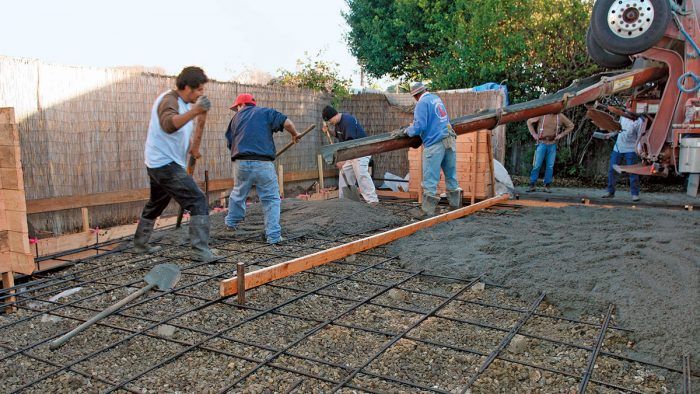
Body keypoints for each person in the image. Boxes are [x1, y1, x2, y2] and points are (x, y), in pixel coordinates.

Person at [134, 66, 219, 261]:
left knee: (156, 203)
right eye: (198, 90)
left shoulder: (183, 104)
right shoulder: (169, 100)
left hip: (161, 161)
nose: (200, 94)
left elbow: (182, 131)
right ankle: (200, 251)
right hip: (164, 163)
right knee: (197, 200)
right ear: (187, 87)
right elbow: (169, 125)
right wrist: (197, 110)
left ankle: (140, 244)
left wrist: (193, 148)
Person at [224, 93, 301, 244]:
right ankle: (273, 236)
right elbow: (287, 123)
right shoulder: (266, 112)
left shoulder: (234, 120)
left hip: (241, 162)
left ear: (241, 105)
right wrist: (295, 134)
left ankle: (231, 224)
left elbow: (230, 143)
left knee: (238, 193)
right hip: (263, 162)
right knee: (271, 198)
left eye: (237, 107)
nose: (236, 110)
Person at [393, 82, 462, 215]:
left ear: (415, 95)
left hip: (435, 143)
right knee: (451, 175)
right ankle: (456, 208)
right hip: (449, 139)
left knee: (430, 178)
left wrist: (407, 131)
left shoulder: (422, 103)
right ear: (425, 89)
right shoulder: (436, 99)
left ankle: (427, 212)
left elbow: (420, 126)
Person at [321, 105, 379, 203]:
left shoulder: (348, 121)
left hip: (362, 151)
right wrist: (329, 132)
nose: (330, 123)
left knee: (361, 174)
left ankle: (373, 201)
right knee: (344, 174)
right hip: (351, 153)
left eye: (330, 121)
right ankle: (344, 202)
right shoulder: (338, 123)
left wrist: (342, 160)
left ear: (333, 115)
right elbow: (338, 134)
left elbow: (350, 143)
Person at [525, 105, 574, 192]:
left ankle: (547, 186)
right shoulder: (542, 114)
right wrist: (533, 134)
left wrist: (561, 135)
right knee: (537, 165)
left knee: (550, 166)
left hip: (552, 144)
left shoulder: (560, 116)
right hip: (541, 143)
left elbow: (571, 126)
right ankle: (532, 185)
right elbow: (529, 122)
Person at [598, 110, 644, 201]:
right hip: (618, 147)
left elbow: (640, 136)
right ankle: (610, 192)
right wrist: (610, 134)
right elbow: (618, 129)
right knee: (612, 170)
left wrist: (639, 149)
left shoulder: (639, 121)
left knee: (633, 172)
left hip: (631, 149)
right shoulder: (623, 117)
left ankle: (635, 194)